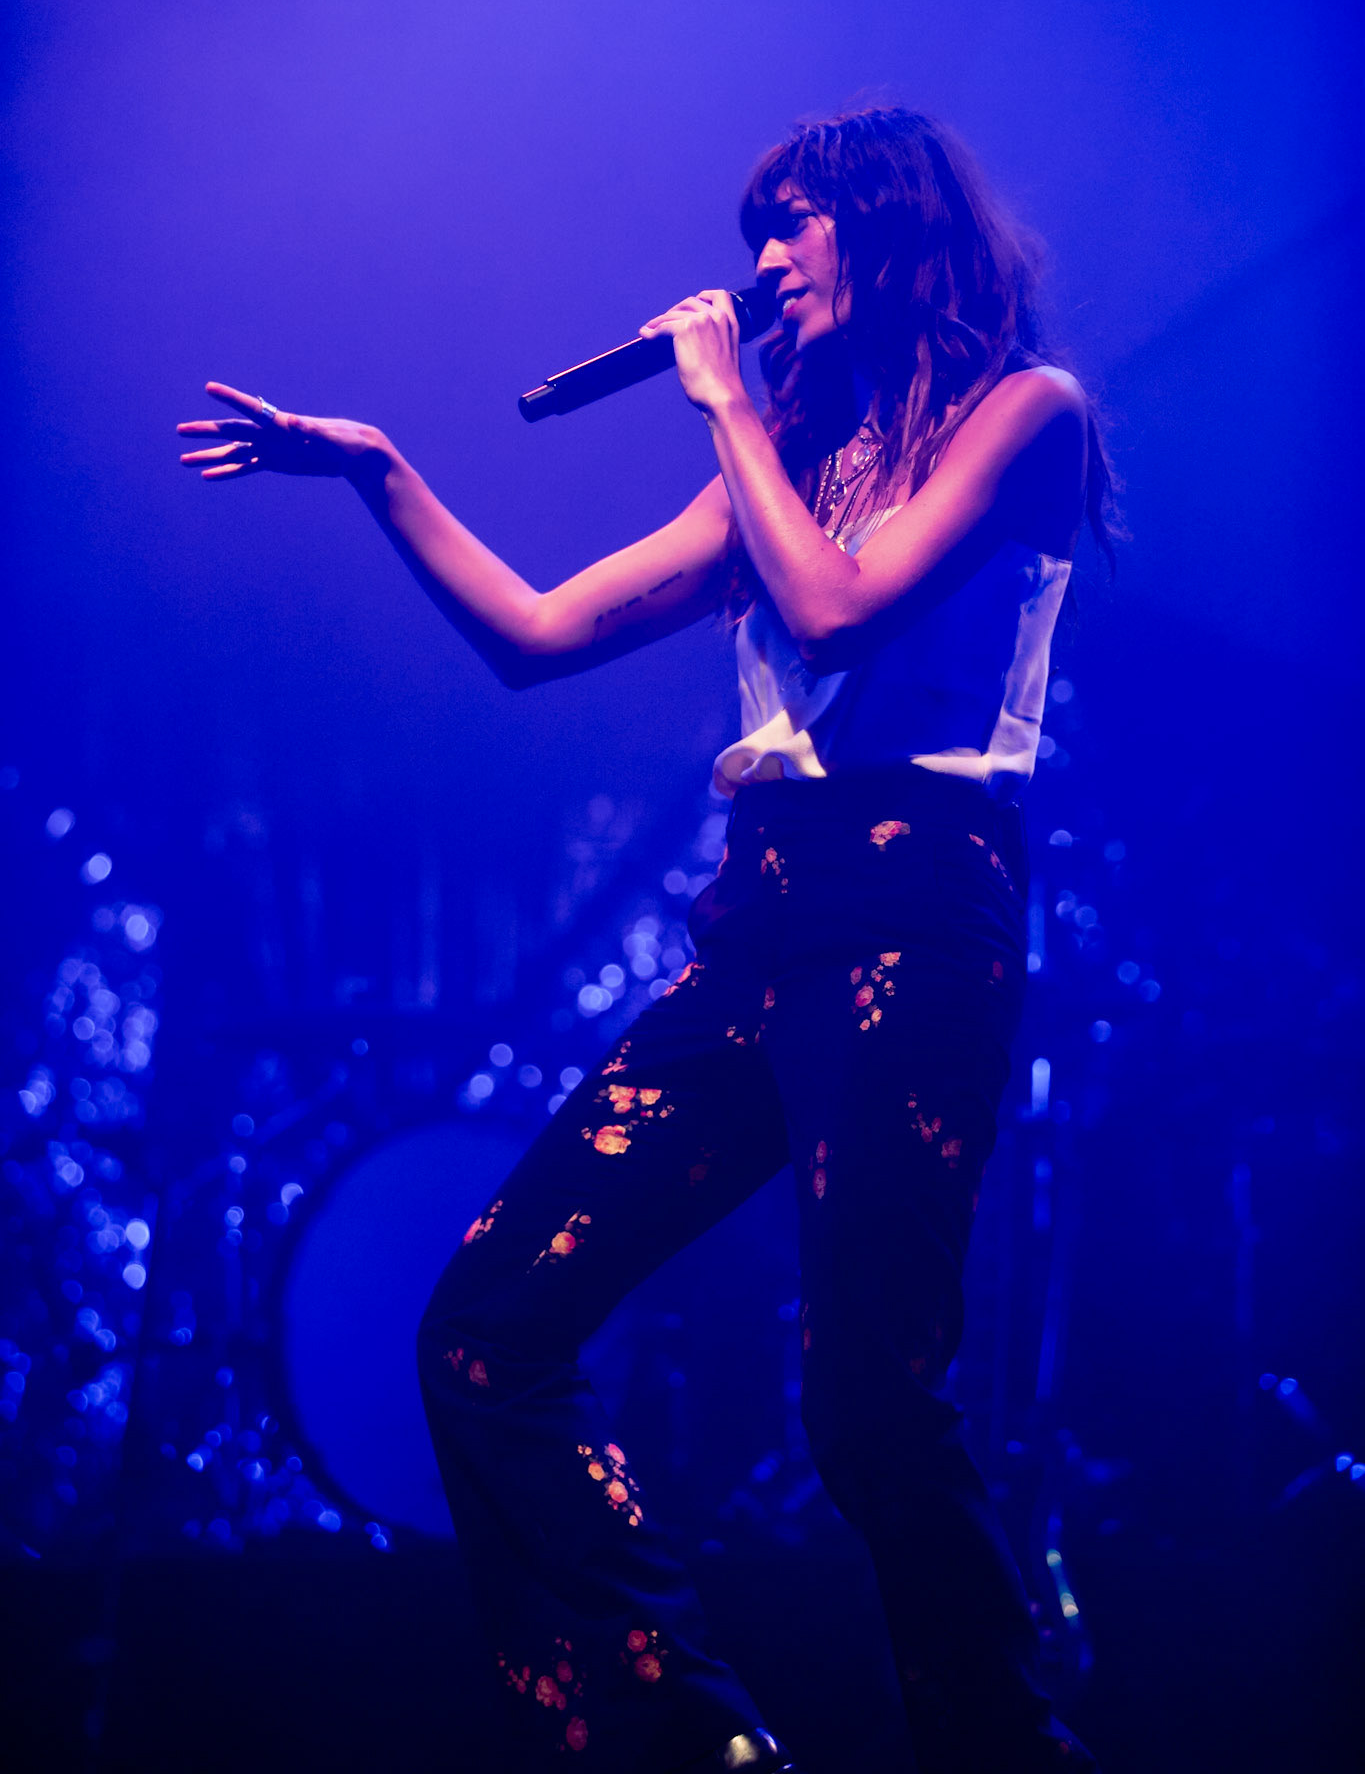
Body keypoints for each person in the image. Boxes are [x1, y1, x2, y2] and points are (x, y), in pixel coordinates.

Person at [179, 108, 1109, 1773]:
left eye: (791, 228)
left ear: (887, 229)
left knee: (870, 1408)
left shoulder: (1023, 414)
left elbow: (833, 608)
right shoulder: (787, 454)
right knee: (482, 1329)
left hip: (918, 906)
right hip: (761, 916)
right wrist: (384, 473)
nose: (756, 266)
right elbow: (539, 637)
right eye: (756, 235)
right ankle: (695, 1745)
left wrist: (730, 408)